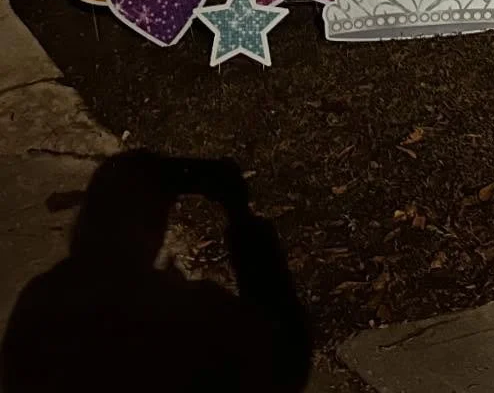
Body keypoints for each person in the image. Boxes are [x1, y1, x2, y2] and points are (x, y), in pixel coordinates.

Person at [1, 150, 311, 392]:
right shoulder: (184, 315)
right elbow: (286, 360)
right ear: (151, 230)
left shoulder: (40, 301)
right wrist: (242, 220)